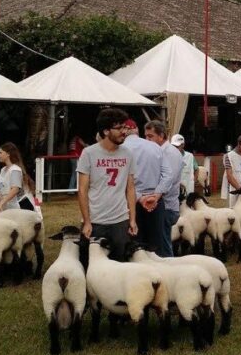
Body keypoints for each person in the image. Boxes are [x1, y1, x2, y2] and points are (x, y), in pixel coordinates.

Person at [76, 108, 137, 263]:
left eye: (125, 127)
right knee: (89, 263)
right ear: (105, 131)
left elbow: (130, 188)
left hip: (120, 220)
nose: (124, 131)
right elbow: (82, 190)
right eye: (119, 128)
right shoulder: (89, 153)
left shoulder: (128, 154)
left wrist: (132, 219)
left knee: (120, 263)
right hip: (96, 220)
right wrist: (87, 221)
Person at [121, 119, 171, 256]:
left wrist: (140, 197)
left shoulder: (121, 149)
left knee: (135, 245)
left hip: (131, 201)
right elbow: (168, 175)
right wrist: (157, 195)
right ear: (137, 130)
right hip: (154, 200)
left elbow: (122, 180)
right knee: (156, 246)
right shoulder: (155, 147)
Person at [145, 120, 183, 257]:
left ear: (161, 136)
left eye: (150, 136)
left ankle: (171, 274)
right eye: (146, 136)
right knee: (159, 244)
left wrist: (154, 196)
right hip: (160, 204)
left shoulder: (170, 153)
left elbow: (168, 180)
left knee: (163, 247)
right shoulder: (159, 152)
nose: (147, 140)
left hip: (166, 206)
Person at [0, 143, 36, 213]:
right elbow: (2, 189)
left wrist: (0, 204)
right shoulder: (2, 170)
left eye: (0, 153)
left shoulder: (15, 170)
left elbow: (15, 190)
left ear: (8, 154)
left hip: (20, 207)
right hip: (9, 207)